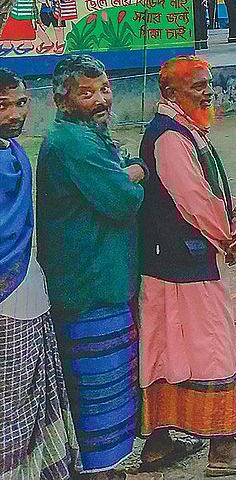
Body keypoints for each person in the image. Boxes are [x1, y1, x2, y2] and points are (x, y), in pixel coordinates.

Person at [137, 57, 236, 475]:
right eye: (197, 86)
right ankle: (223, 447)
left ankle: (159, 443)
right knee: (209, 347)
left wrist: (229, 219)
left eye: (208, 85)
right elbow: (195, 201)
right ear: (170, 94)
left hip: (175, 265)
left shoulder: (186, 131)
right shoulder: (170, 138)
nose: (207, 92)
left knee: (168, 349)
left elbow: (206, 192)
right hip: (186, 266)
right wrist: (227, 232)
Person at [37, 56, 145, 479]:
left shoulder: (84, 137)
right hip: (89, 285)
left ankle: (108, 467)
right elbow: (122, 199)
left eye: (104, 90)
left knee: (112, 384)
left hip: (103, 281)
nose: (100, 100)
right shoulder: (74, 143)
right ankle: (100, 470)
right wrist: (135, 172)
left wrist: (124, 174)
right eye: (87, 93)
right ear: (62, 100)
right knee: (97, 387)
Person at [0, 69, 79, 480]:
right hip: (7, 296)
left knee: (35, 393)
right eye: (3, 105)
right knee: (9, 402)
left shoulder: (14, 152)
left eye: (21, 102)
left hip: (28, 284)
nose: (15, 114)